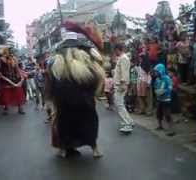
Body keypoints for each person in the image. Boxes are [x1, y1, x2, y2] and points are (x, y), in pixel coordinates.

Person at [46, 20, 105, 158]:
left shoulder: (57, 53)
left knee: (65, 121)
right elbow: (97, 69)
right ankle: (94, 148)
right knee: (88, 119)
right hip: (83, 93)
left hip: (65, 95)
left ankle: (64, 149)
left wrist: (53, 96)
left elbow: (52, 78)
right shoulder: (87, 51)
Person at [113, 43, 135, 133]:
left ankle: (128, 124)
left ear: (118, 49)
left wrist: (123, 84)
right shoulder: (122, 58)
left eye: (115, 50)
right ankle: (129, 121)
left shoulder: (124, 58)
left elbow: (124, 72)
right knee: (120, 104)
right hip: (119, 84)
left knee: (119, 105)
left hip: (120, 84)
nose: (115, 52)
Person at [0, 49, 26, 115]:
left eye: (12, 52)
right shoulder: (1, 59)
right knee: (6, 95)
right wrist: (1, 75)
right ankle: (6, 109)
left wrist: (21, 75)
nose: (11, 53)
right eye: (9, 52)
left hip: (15, 79)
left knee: (18, 93)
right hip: (6, 80)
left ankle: (20, 108)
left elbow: (17, 69)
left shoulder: (14, 59)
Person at [152, 64, 175, 136]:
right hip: (159, 98)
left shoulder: (167, 78)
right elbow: (155, 86)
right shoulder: (157, 79)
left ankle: (171, 129)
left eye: (156, 71)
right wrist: (156, 91)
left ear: (160, 71)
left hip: (166, 99)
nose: (155, 73)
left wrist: (164, 91)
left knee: (167, 114)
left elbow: (170, 87)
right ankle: (160, 125)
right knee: (158, 113)